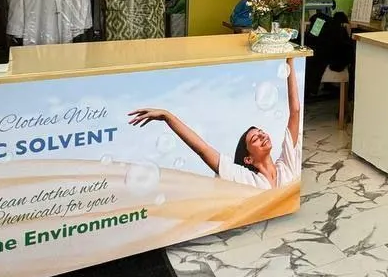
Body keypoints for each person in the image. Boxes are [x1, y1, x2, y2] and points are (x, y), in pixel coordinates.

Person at [128, 56, 302, 189]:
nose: (262, 135)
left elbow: (294, 111)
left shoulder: (286, 164)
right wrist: (167, 117)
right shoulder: (243, 177)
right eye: (255, 138)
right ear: (248, 159)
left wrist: (290, 60)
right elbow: (203, 150)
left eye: (261, 132)